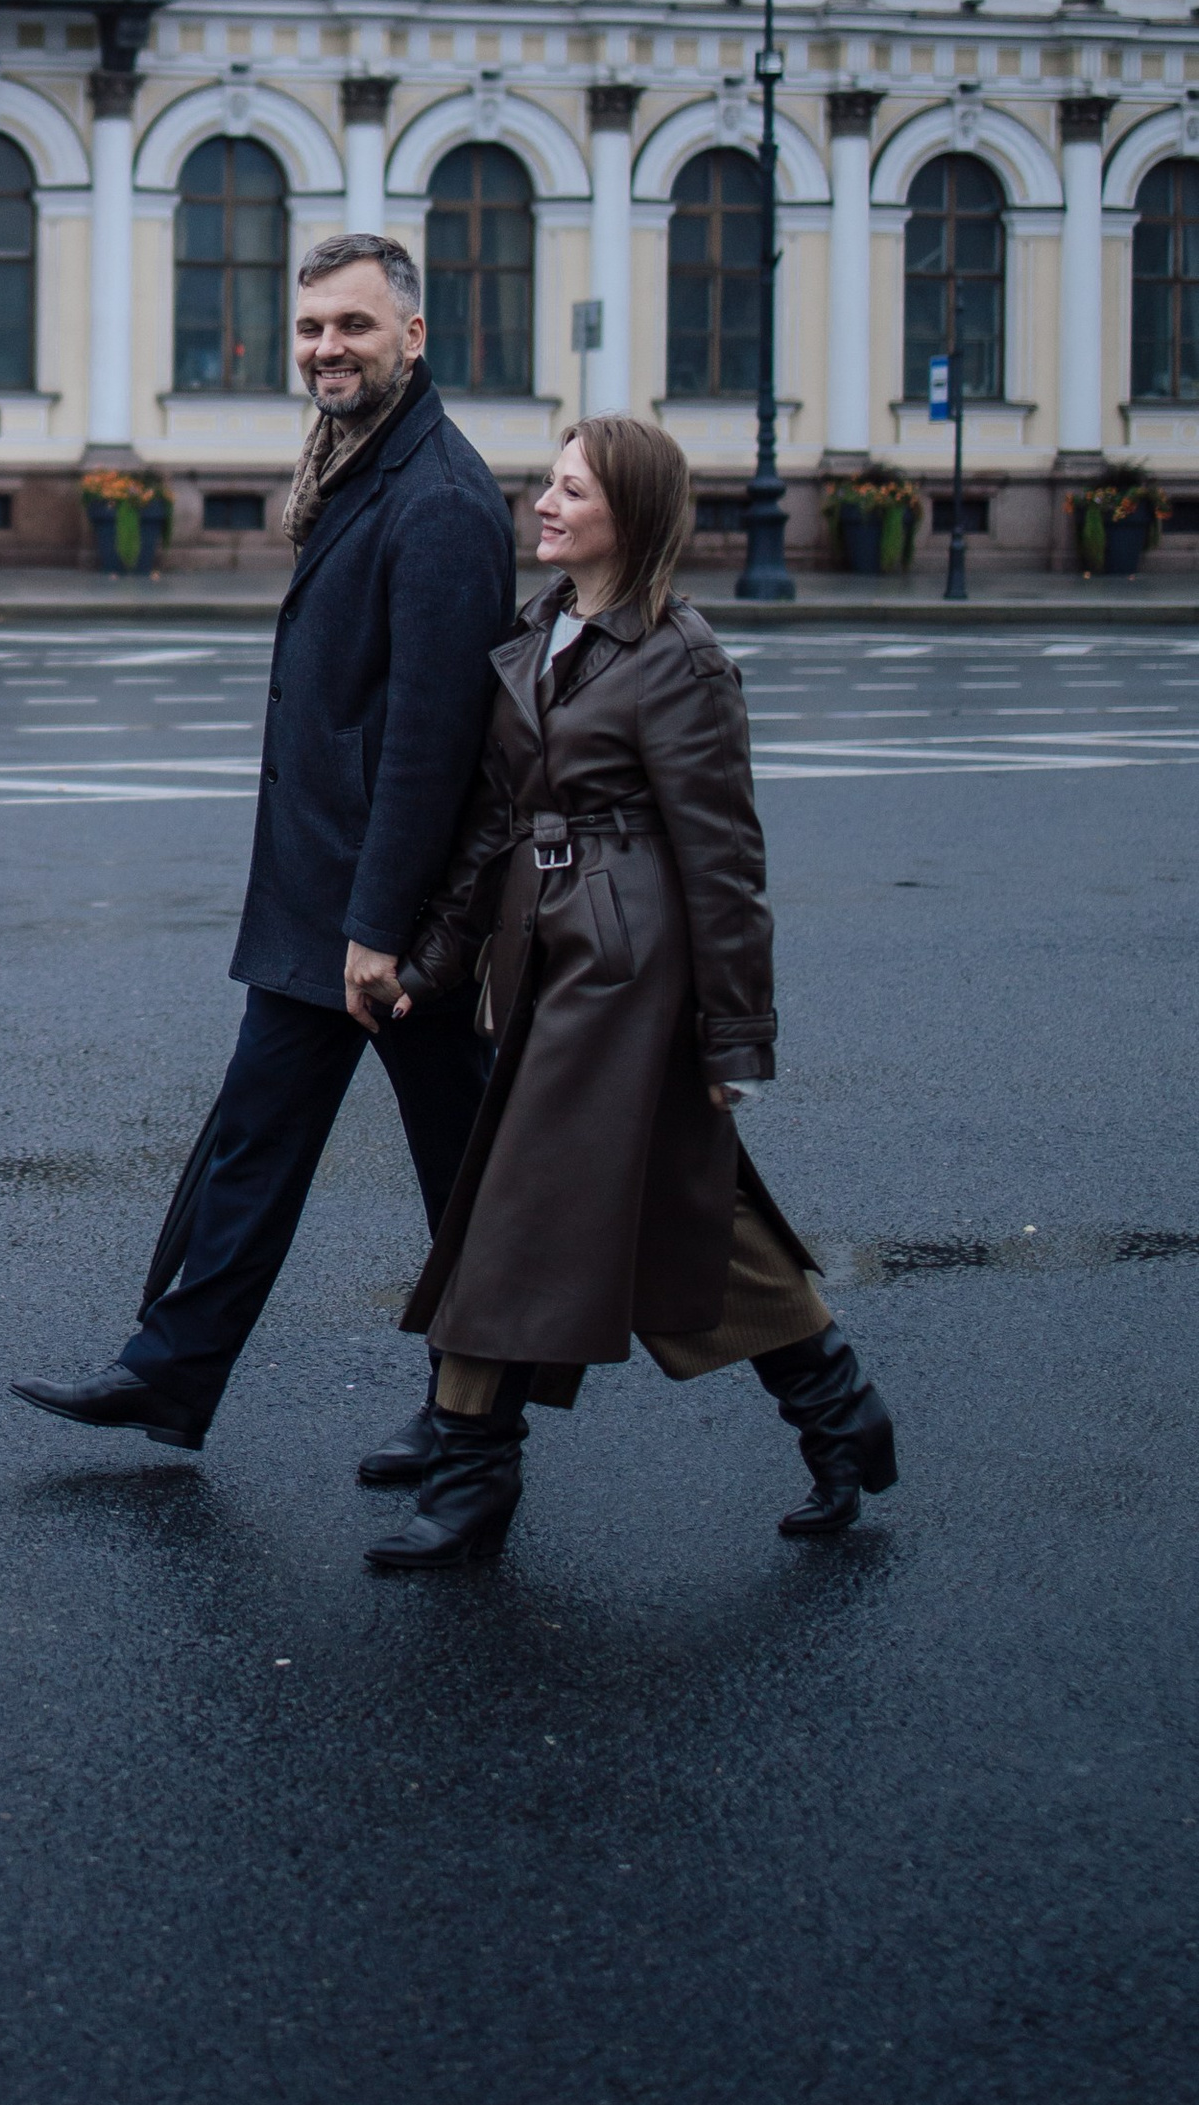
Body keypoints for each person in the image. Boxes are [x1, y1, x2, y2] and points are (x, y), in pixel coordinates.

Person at [360, 413, 899, 1572]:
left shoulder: (678, 655)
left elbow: (724, 859)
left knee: (511, 1211)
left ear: (632, 515)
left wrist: (733, 1040)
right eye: (545, 485)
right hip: (543, 957)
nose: (543, 506)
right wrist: (432, 963)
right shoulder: (536, 633)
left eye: (571, 491)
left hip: (627, 969)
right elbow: (494, 824)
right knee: (683, 1206)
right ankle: (839, 1413)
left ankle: (471, 1473)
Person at [12, 232, 516, 1455]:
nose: (325, 349)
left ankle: (478, 1425)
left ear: (411, 336)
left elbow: (429, 748)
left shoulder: (440, 498)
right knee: (253, 1144)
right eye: (309, 329)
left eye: (350, 326)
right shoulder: (354, 465)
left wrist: (380, 932)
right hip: (322, 903)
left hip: (387, 925)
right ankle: (171, 1371)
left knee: (469, 1178)